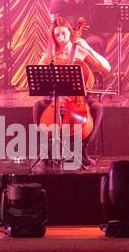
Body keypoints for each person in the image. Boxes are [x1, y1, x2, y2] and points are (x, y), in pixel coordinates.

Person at [34, 17, 110, 169]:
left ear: (70, 32)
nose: (61, 38)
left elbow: (106, 68)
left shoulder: (80, 50)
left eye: (63, 33)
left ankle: (83, 150)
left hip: (80, 98)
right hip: (56, 98)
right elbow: (38, 77)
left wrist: (89, 48)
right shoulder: (50, 55)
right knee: (38, 106)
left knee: (97, 108)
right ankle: (45, 150)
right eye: (57, 35)